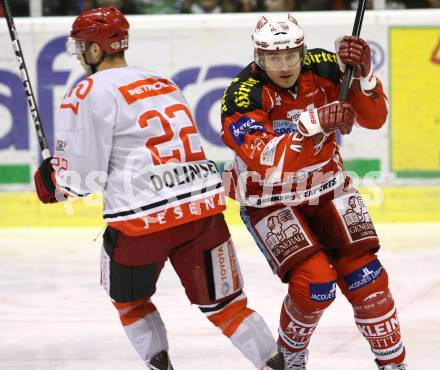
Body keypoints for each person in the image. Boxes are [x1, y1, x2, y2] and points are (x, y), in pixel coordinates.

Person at [33, 7, 286, 370]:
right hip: (202, 210)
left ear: (95, 49)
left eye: (82, 46)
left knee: (130, 302)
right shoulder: (162, 81)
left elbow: (77, 180)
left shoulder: (87, 90)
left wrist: (49, 180)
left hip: (141, 222)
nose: (78, 54)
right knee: (230, 306)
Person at [220, 13, 408, 370]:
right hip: (268, 199)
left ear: (302, 51)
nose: (285, 65)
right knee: (316, 284)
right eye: (274, 58)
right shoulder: (241, 96)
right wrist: (314, 123)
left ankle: (394, 365)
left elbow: (374, 118)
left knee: (368, 280)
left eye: (291, 55)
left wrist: (363, 77)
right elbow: (267, 162)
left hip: (327, 188)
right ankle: (291, 358)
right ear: (259, 58)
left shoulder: (322, 67)